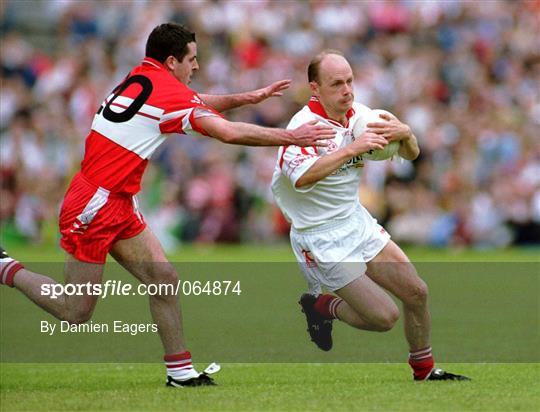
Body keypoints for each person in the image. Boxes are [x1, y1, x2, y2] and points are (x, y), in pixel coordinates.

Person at [0, 23, 335, 388]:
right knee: (74, 310)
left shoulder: (143, 74)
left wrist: (246, 98)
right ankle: (6, 267)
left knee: (164, 279)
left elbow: (194, 101)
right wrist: (291, 136)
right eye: (192, 60)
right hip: (94, 205)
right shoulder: (167, 92)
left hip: (118, 200)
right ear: (172, 61)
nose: (196, 67)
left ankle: (180, 372)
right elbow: (227, 132)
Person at [271, 50, 469, 381]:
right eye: (336, 84)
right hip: (319, 236)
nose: (347, 90)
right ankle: (321, 307)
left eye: (350, 81)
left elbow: (412, 153)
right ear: (315, 88)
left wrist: (405, 132)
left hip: (355, 221)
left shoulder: (360, 116)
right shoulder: (303, 128)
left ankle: (425, 370)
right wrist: (353, 148)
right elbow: (302, 177)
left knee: (416, 292)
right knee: (384, 317)